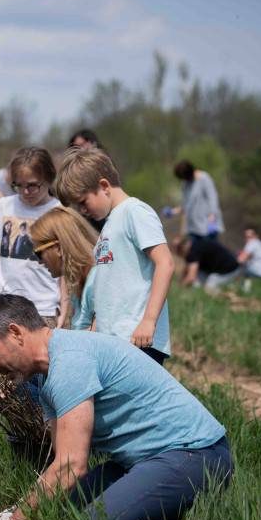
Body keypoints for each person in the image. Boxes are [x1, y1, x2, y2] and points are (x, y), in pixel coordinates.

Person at [0, 294, 232, 520]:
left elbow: (72, 465)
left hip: (195, 456)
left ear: (16, 333)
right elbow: (63, 461)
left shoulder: (69, 363)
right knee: (55, 516)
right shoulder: (48, 374)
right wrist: (17, 513)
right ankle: (156, 511)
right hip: (142, 461)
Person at [56, 147, 174, 366]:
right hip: (114, 340)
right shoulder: (110, 225)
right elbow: (109, 286)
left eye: (83, 202)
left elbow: (165, 263)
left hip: (138, 340)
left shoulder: (135, 212)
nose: (82, 211)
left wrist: (149, 321)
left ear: (103, 186)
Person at [0, 147, 62, 326]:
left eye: (32, 185)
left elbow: (66, 264)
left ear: (48, 179)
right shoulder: (3, 206)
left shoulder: (58, 212)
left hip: (44, 308)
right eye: (19, 185)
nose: (25, 192)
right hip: (5, 306)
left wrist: (64, 303)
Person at [29, 206, 100, 329]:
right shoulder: (78, 281)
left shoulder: (98, 280)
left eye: (38, 253)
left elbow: (100, 340)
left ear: (58, 248)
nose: (39, 262)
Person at [171, 160, 224, 241]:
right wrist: (173, 211)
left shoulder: (204, 178)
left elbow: (212, 197)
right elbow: (186, 204)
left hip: (207, 227)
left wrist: (212, 215)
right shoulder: (185, 184)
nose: (184, 180)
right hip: (193, 228)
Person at [175, 236, 241, 292]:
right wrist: (180, 281)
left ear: (184, 246)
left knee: (209, 287)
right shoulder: (195, 245)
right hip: (225, 268)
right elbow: (187, 269)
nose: (178, 253)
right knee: (198, 281)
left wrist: (179, 288)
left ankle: (222, 299)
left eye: (178, 249)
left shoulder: (193, 251)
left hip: (230, 270)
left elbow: (191, 277)